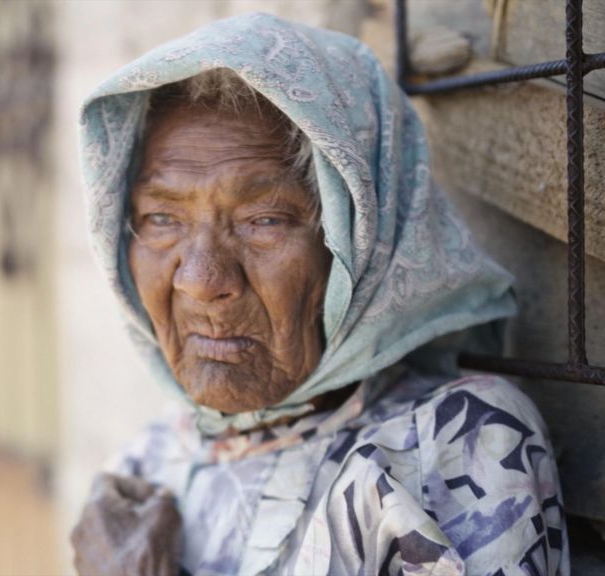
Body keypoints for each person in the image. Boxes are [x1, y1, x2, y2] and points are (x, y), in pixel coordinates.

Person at [70, 13, 568, 576]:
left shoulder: (456, 440)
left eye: (265, 220)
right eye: (162, 218)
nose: (202, 281)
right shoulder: (147, 466)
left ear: (362, 237)